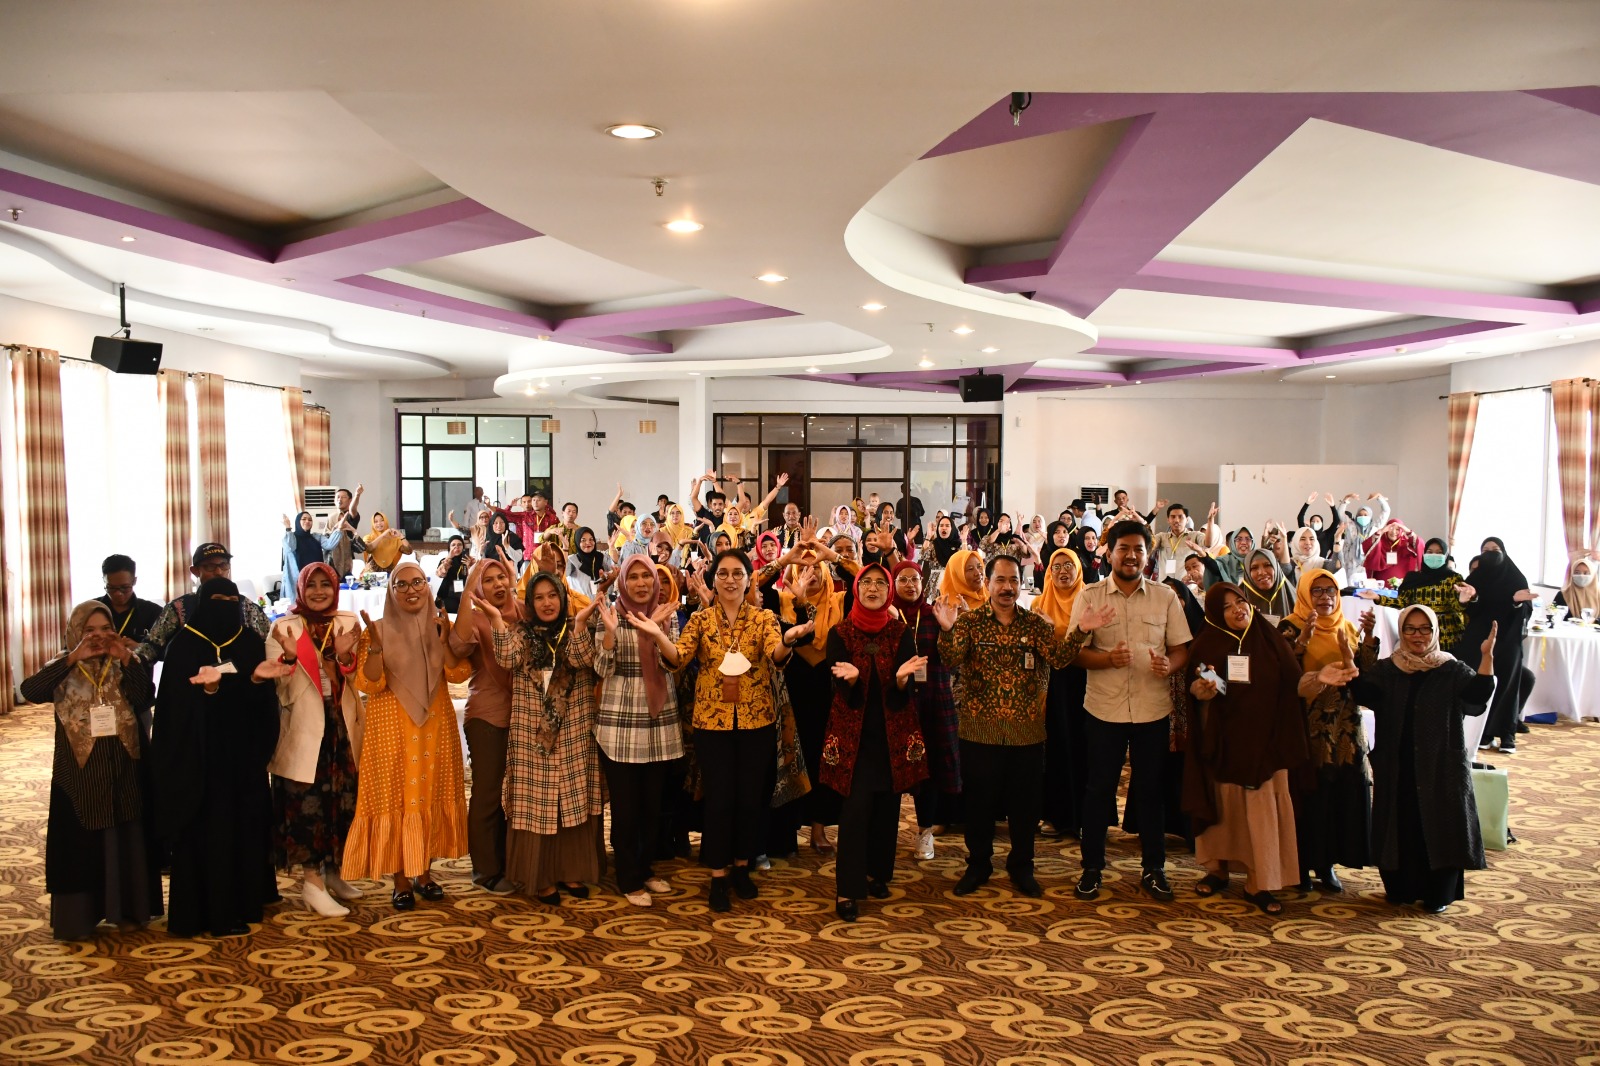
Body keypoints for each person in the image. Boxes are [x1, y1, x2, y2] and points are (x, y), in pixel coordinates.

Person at [629, 549, 798, 913]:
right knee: (720, 800)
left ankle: (742, 867)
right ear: (714, 580)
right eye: (723, 573)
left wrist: (787, 641)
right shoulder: (701, 620)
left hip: (756, 721)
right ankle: (718, 875)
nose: (730, 580)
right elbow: (678, 658)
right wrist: (658, 635)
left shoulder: (764, 618)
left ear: (749, 579)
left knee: (749, 800)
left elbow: (775, 656)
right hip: (711, 723)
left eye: (738, 573)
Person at [936, 555, 1107, 897]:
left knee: (1024, 808)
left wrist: (1082, 630)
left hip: (1026, 733)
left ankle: (1022, 867)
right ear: (988, 583)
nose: (1007, 587)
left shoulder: (1035, 624)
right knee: (979, 804)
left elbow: (1059, 659)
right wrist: (947, 629)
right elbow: (950, 659)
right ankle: (978, 865)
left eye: (1013, 580)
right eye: (1000, 580)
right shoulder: (970, 624)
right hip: (980, 731)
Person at [1340, 605, 1498, 913]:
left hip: (1441, 765)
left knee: (1441, 825)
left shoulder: (1451, 669)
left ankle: (1438, 893)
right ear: (1402, 632)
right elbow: (1363, 693)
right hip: (1397, 764)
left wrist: (1487, 656)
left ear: (1435, 631)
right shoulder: (1389, 669)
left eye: (1425, 628)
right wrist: (1349, 660)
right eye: (1410, 629)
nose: (1417, 635)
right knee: (1400, 825)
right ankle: (1401, 888)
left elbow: (1477, 695)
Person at [1067, 520, 1193, 903]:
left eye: (1138, 549)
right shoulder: (1090, 596)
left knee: (1150, 791)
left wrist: (1170, 665)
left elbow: (1181, 649)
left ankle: (1154, 869)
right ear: (1109, 552)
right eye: (1123, 548)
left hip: (1152, 710)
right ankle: (1092, 868)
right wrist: (1106, 660)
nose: (1131, 555)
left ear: (1147, 554)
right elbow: (1073, 652)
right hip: (1103, 710)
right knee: (1098, 790)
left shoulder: (1164, 597)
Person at [22, 601, 162, 940]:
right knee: (82, 840)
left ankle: (127, 911)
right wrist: (74, 657)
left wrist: (125, 657)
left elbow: (145, 698)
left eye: (105, 629)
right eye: (89, 631)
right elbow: (30, 691)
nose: (98, 637)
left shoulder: (123, 662)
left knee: (125, 837)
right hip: (79, 770)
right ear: (75, 633)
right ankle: (80, 918)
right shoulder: (62, 665)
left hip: (123, 764)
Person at [151, 578, 281, 937]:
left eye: (231, 599)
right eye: (216, 599)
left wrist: (256, 682)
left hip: (242, 758)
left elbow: (260, 704)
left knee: (243, 828)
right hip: (199, 760)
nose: (224, 605)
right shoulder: (184, 645)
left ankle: (245, 904)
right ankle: (206, 913)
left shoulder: (249, 641)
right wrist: (207, 692)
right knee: (207, 833)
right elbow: (173, 710)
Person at [341, 562, 470, 909]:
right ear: (391, 591)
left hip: (435, 725)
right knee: (398, 795)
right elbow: (369, 683)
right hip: (391, 728)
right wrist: (376, 647)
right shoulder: (377, 629)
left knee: (428, 792)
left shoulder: (441, 625)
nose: (411, 590)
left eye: (418, 583)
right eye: (402, 585)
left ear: (427, 586)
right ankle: (400, 879)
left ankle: (424, 873)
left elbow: (458, 674)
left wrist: (444, 641)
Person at [1183, 583, 1312, 914]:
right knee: (1224, 807)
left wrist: (1320, 679)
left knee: (1260, 811)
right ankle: (1217, 870)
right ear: (1215, 614)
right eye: (1226, 607)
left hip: (1267, 742)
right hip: (1224, 742)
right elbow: (1204, 688)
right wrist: (1202, 691)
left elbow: (1294, 684)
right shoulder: (1207, 643)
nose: (1237, 609)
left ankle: (1259, 880)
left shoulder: (1270, 639)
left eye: (1239, 601)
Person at [573, 557, 685, 907]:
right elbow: (601, 668)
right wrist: (609, 634)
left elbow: (673, 663)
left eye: (645, 577)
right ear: (623, 581)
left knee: (653, 805)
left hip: (659, 721)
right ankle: (628, 877)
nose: (640, 583)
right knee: (626, 808)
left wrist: (657, 631)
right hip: (620, 722)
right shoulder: (610, 614)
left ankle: (645, 867)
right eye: (633, 577)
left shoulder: (666, 614)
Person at [486, 572, 604, 904]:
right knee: (538, 805)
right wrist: (495, 619)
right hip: (532, 733)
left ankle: (570, 870)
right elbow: (507, 658)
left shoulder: (575, 628)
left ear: (563, 597)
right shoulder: (521, 632)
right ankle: (541, 878)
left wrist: (581, 624)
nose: (547, 603)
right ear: (530, 602)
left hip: (574, 729)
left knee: (572, 802)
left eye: (552, 595)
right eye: (538, 597)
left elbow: (583, 659)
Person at [822, 564, 929, 921]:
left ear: (889, 591)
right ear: (856, 589)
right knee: (855, 811)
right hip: (853, 738)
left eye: (880, 583)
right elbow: (837, 688)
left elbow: (911, 687)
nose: (873, 588)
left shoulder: (901, 632)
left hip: (892, 734)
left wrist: (900, 681)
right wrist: (852, 681)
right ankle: (847, 889)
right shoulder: (840, 632)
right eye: (866, 582)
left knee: (887, 806)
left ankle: (876, 873)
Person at [263, 563, 365, 917]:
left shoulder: (347, 622)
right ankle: (312, 883)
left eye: (326, 584)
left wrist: (343, 655)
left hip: (340, 724)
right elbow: (280, 689)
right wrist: (291, 658)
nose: (319, 591)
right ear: (300, 587)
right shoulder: (283, 627)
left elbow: (361, 677)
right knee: (307, 805)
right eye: (312, 585)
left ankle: (334, 873)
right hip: (304, 727)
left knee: (341, 800)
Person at [1280, 568, 1376, 892]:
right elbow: (1283, 673)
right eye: (1317, 590)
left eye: (1331, 590)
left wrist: (1367, 640)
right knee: (1308, 793)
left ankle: (1326, 863)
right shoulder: (1290, 626)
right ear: (1305, 594)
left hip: (1345, 725)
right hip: (1307, 723)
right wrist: (1303, 641)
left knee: (1339, 794)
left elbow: (1364, 677)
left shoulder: (1346, 627)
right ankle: (1299, 866)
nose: (1325, 597)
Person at [447, 559, 523, 895]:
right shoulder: (477, 619)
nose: (497, 584)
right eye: (488, 580)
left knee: (518, 794)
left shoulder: (521, 611)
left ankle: (509, 860)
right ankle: (485, 869)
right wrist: (467, 592)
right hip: (487, 716)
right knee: (488, 793)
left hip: (524, 716)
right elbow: (458, 645)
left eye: (501, 577)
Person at [893, 561, 960, 861]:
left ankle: (925, 832)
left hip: (933, 700)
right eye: (903, 579)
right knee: (893, 769)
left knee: (929, 771)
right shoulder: (886, 616)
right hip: (897, 702)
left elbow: (953, 660)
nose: (910, 585)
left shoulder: (934, 614)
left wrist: (948, 628)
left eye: (915, 579)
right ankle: (885, 833)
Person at [1031, 545, 1093, 841]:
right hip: (1052, 685)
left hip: (1088, 680)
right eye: (1056, 566)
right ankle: (1056, 816)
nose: (1063, 571)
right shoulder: (1038, 604)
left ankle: (1087, 817)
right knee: (1055, 748)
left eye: (1069, 565)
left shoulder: (1090, 599)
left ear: (1078, 569)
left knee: (1087, 747)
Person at [1458, 537, 1536, 753]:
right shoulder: (1475, 579)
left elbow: (1525, 611)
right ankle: (1482, 733)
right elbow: (1472, 611)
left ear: (1504, 551)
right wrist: (1470, 599)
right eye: (1485, 550)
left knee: (1507, 685)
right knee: (1479, 684)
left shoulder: (1517, 578)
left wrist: (1516, 602)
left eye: (1495, 549)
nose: (1491, 553)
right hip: (1478, 640)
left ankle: (1506, 734)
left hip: (1508, 640)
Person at [135, 543, 271, 663]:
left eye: (223, 565)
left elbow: (269, 640)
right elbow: (152, 645)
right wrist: (134, 658)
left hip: (242, 676)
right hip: (194, 676)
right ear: (195, 571)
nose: (219, 572)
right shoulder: (178, 607)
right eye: (210, 567)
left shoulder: (245, 605)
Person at [1389, 538, 1471, 653]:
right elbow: (1402, 602)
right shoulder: (1413, 578)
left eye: (1439, 552)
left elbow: (1456, 606)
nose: (1434, 555)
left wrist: (1461, 601)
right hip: (1421, 633)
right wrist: (1377, 598)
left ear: (1446, 556)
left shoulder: (1454, 578)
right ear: (1424, 554)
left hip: (1448, 637)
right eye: (1430, 552)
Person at [97, 554, 163, 645]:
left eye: (124, 587)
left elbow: (166, 649)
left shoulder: (154, 612)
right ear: (104, 581)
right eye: (111, 588)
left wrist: (140, 648)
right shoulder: (90, 610)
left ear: (134, 581)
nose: (118, 593)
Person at [281, 511, 341, 605]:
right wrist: (288, 527)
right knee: (299, 607)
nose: (307, 521)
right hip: (298, 580)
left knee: (315, 604)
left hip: (315, 578)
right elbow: (290, 547)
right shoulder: (291, 537)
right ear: (298, 521)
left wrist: (339, 529)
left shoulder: (316, 537)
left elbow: (330, 545)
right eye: (304, 519)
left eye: (310, 520)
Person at [324, 484, 366, 580]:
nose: (340, 499)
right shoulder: (331, 517)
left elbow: (352, 509)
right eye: (338, 497)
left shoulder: (350, 516)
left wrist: (357, 495)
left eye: (343, 497)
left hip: (346, 561)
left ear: (350, 500)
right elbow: (326, 538)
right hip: (331, 562)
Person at [1364, 519, 1421, 584]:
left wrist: (1407, 530)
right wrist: (1382, 531)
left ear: (1402, 531)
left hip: (1401, 586)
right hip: (1379, 586)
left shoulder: (1406, 545)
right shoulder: (1379, 543)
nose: (1393, 532)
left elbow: (1419, 545)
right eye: (1391, 528)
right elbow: (1367, 546)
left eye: (1397, 529)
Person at [567, 526, 615, 598]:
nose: (588, 543)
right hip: (581, 603)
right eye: (583, 540)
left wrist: (612, 547)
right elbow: (563, 573)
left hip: (602, 600)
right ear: (577, 542)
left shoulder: (601, 557)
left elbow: (614, 566)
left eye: (591, 539)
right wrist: (565, 548)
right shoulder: (572, 560)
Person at [937, 549, 988, 614]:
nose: (978, 573)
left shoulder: (992, 595)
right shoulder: (942, 607)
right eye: (970, 569)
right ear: (957, 575)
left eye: (979, 566)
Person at [435, 535, 471, 614]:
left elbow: (473, 579)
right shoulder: (445, 561)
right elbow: (440, 574)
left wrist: (469, 567)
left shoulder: (468, 560)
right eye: (453, 545)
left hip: (464, 595)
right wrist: (448, 558)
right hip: (447, 595)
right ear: (449, 547)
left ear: (463, 547)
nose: (456, 547)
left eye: (459, 545)